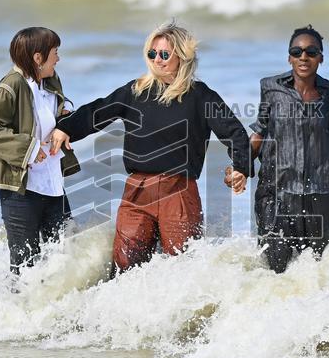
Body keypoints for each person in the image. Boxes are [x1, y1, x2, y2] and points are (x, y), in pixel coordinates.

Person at [49, 21, 251, 274]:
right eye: (152, 53)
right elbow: (98, 111)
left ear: (182, 56)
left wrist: (241, 167)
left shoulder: (200, 95)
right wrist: (66, 127)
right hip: (137, 192)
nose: (158, 60)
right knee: (125, 266)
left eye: (165, 54)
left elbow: (233, 131)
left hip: (178, 193)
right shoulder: (135, 91)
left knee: (181, 269)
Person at [227, 25, 329, 273]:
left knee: (313, 269)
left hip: (318, 193)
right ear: (289, 57)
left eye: (311, 52)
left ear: (321, 58)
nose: (304, 57)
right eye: (297, 51)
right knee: (275, 267)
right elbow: (260, 130)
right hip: (276, 192)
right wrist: (241, 168)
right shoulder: (271, 87)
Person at [0, 27, 81, 275]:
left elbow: (53, 115)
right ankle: (17, 314)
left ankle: (60, 311)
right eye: (55, 52)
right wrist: (30, 149)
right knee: (25, 266)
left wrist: (65, 119)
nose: (58, 58)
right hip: (21, 190)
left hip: (53, 184)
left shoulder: (51, 81)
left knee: (68, 253)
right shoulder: (10, 85)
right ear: (37, 57)